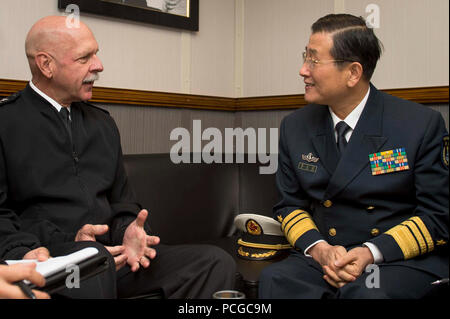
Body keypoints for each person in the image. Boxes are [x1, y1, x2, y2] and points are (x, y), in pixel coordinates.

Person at [0, 16, 235, 299]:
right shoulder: (6, 122)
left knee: (214, 263)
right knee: (91, 261)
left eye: (96, 54)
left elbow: (123, 201)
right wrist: (26, 249)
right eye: (85, 58)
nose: (98, 65)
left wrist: (129, 232)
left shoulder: (102, 124)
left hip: (115, 257)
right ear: (46, 64)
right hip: (50, 259)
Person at [259, 13, 448, 299]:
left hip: (396, 258)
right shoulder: (295, 127)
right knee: (276, 279)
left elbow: (437, 216)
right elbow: (289, 206)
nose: (302, 70)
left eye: (314, 60)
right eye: (304, 57)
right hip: (327, 254)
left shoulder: (419, 125)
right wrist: (321, 250)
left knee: (363, 293)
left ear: (353, 73)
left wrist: (371, 253)